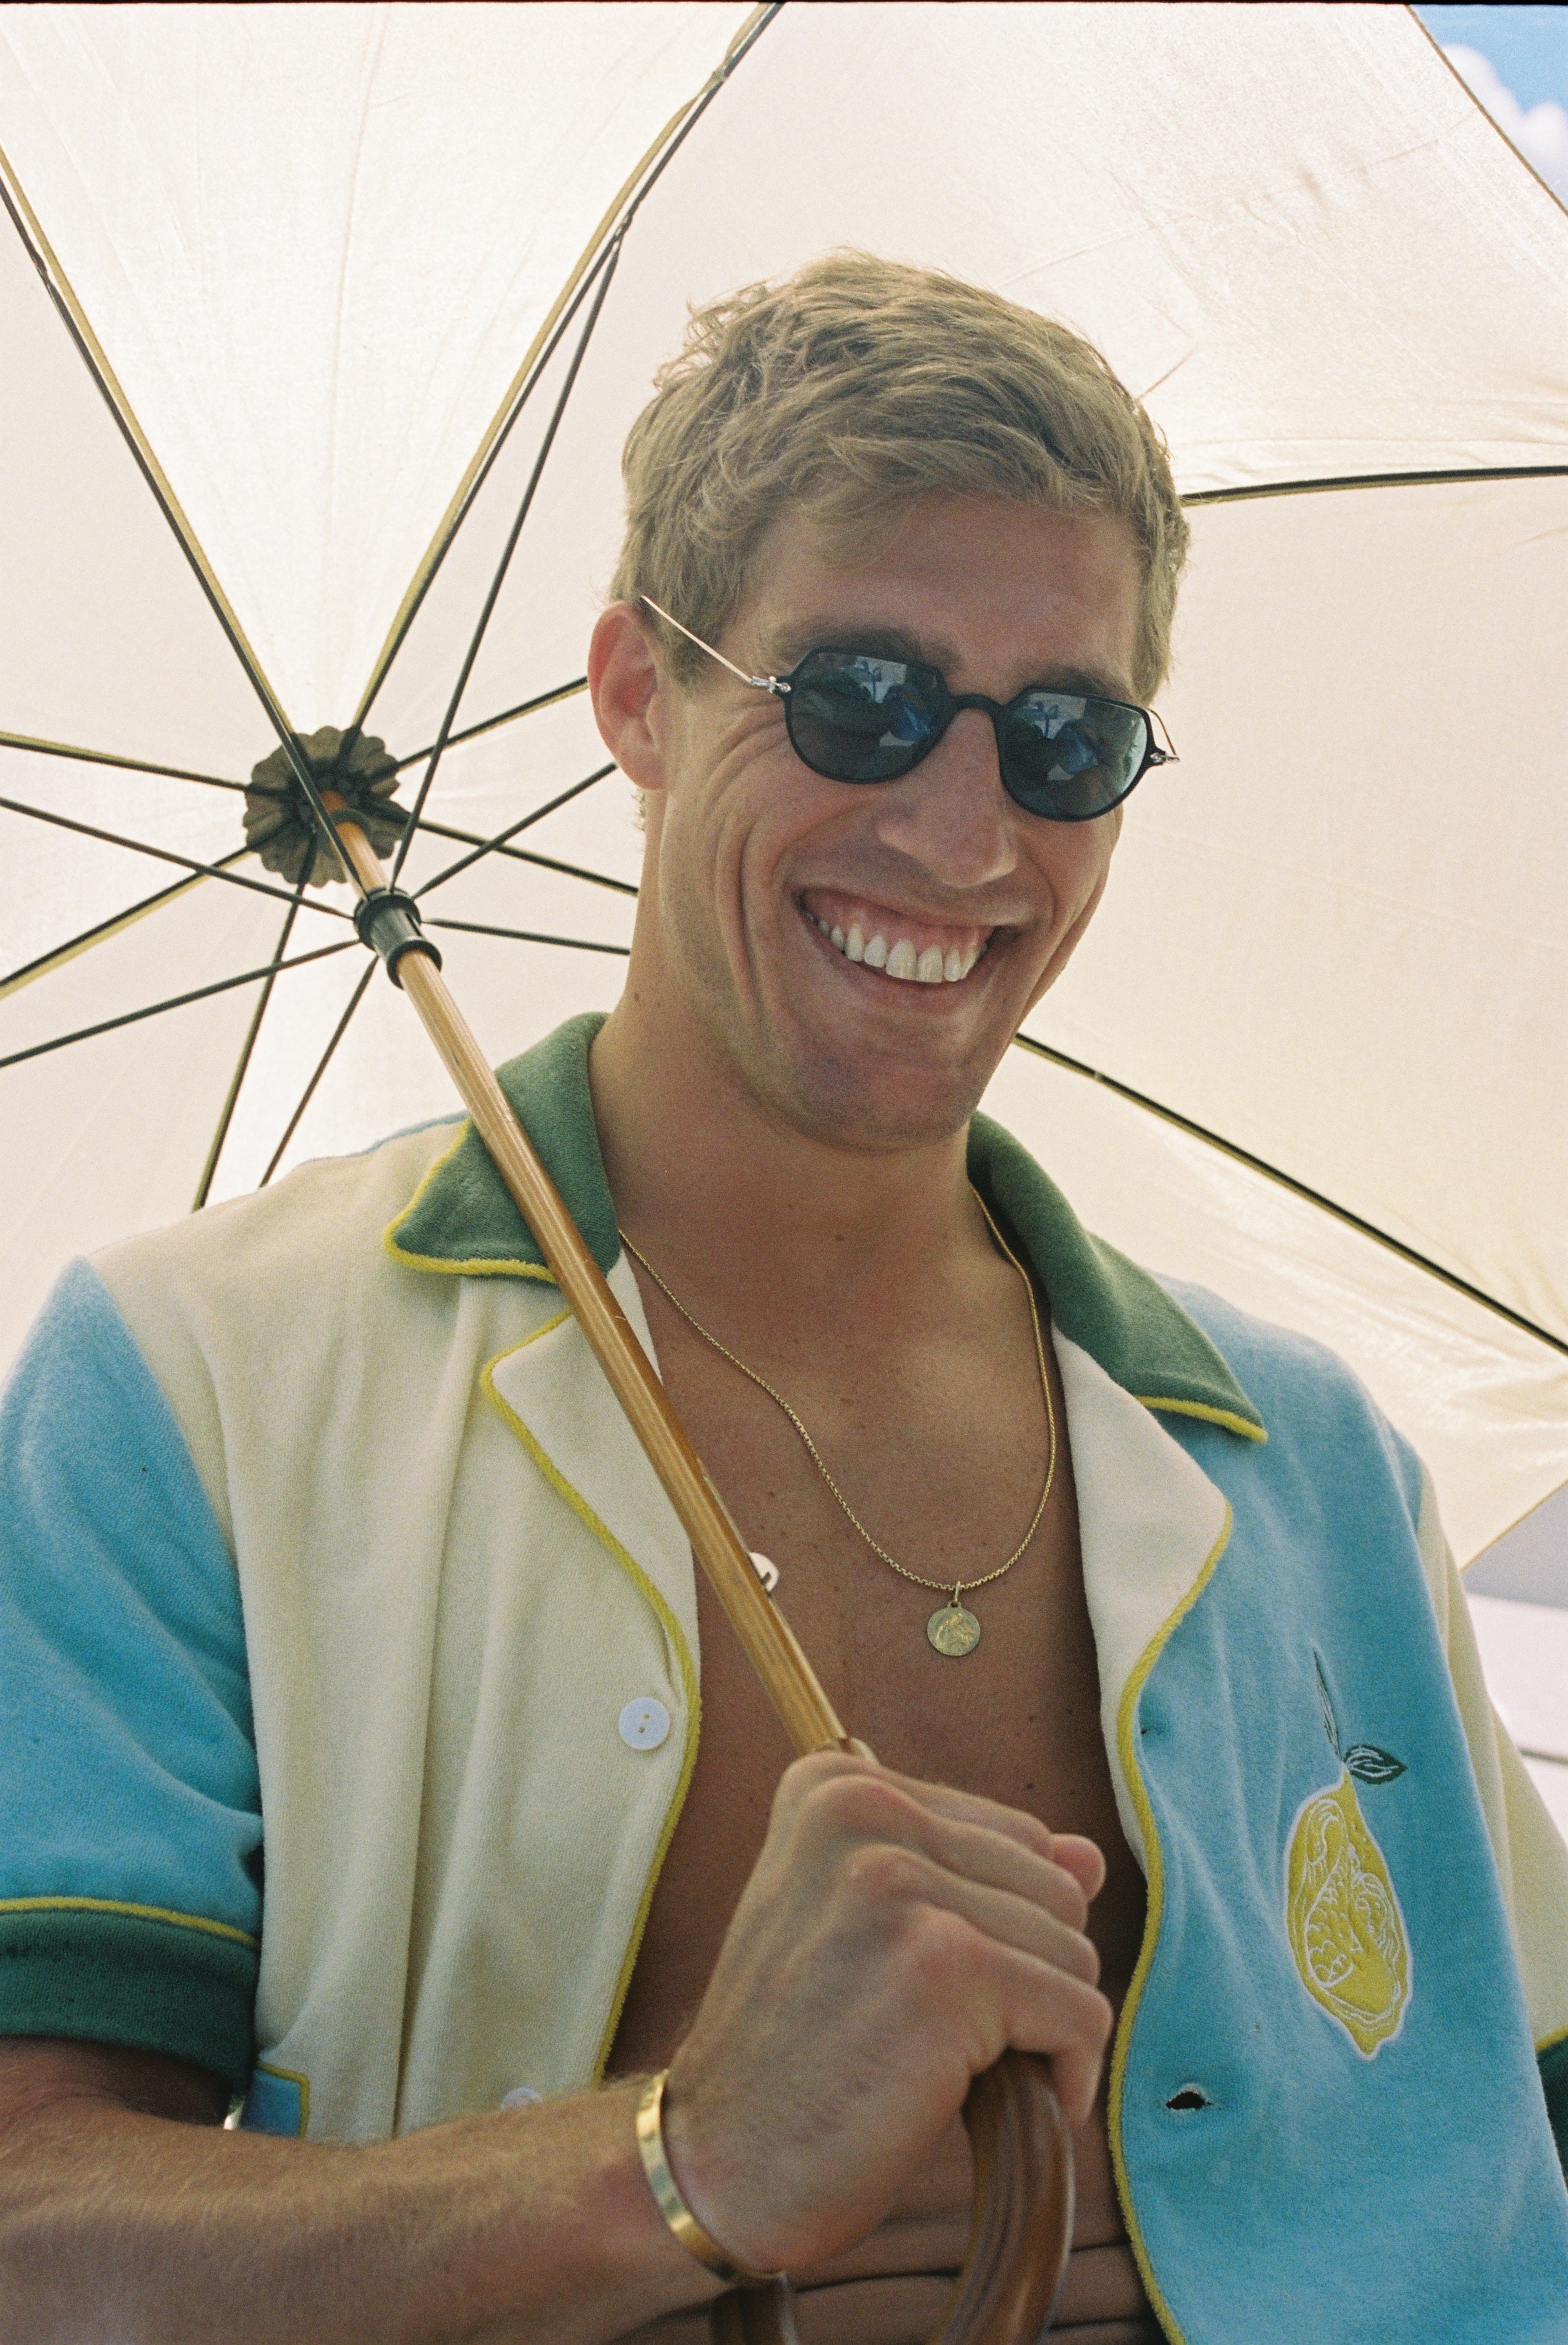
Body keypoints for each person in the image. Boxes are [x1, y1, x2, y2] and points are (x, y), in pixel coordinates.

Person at [0, 255, 1564, 2345]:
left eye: (1067, 739)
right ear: (642, 694)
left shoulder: (1311, 1462)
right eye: (862, 698)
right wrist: (678, 2160)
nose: (959, 827)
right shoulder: (190, 1384)